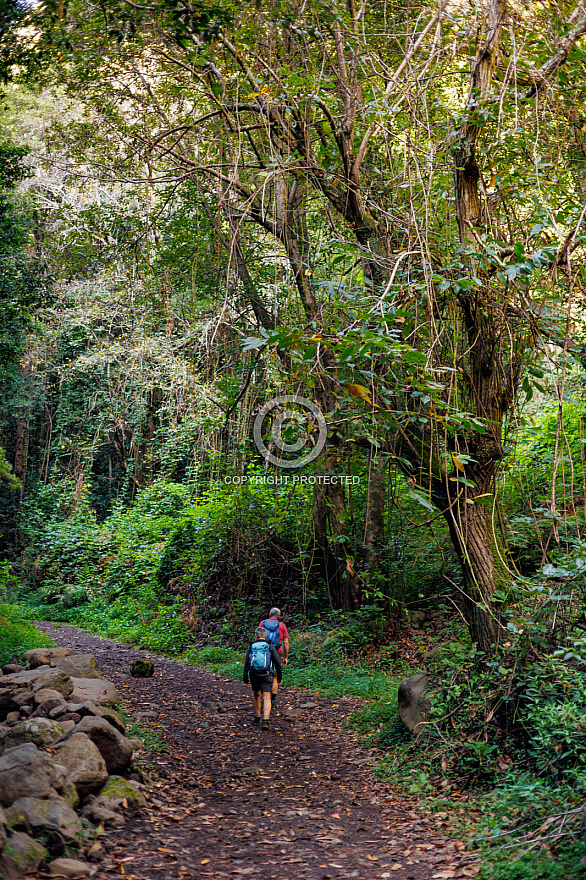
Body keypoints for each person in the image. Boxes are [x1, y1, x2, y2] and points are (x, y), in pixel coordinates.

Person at [243, 626, 282, 730]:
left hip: (254, 674)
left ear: (256, 636)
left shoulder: (252, 646)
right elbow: (277, 663)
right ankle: (265, 720)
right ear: (265, 636)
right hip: (267, 674)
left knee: (256, 695)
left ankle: (257, 718)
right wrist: (279, 677)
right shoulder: (270, 646)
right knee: (266, 696)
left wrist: (245, 678)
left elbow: (247, 662)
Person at [259, 607, 289, 708]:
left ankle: (264, 698)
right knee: (275, 676)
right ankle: (272, 700)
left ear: (269, 614)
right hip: (277, 651)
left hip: (264, 651)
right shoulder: (281, 625)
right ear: (279, 616)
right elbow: (286, 642)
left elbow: (257, 638)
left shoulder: (262, 623)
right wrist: (285, 657)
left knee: (262, 673)